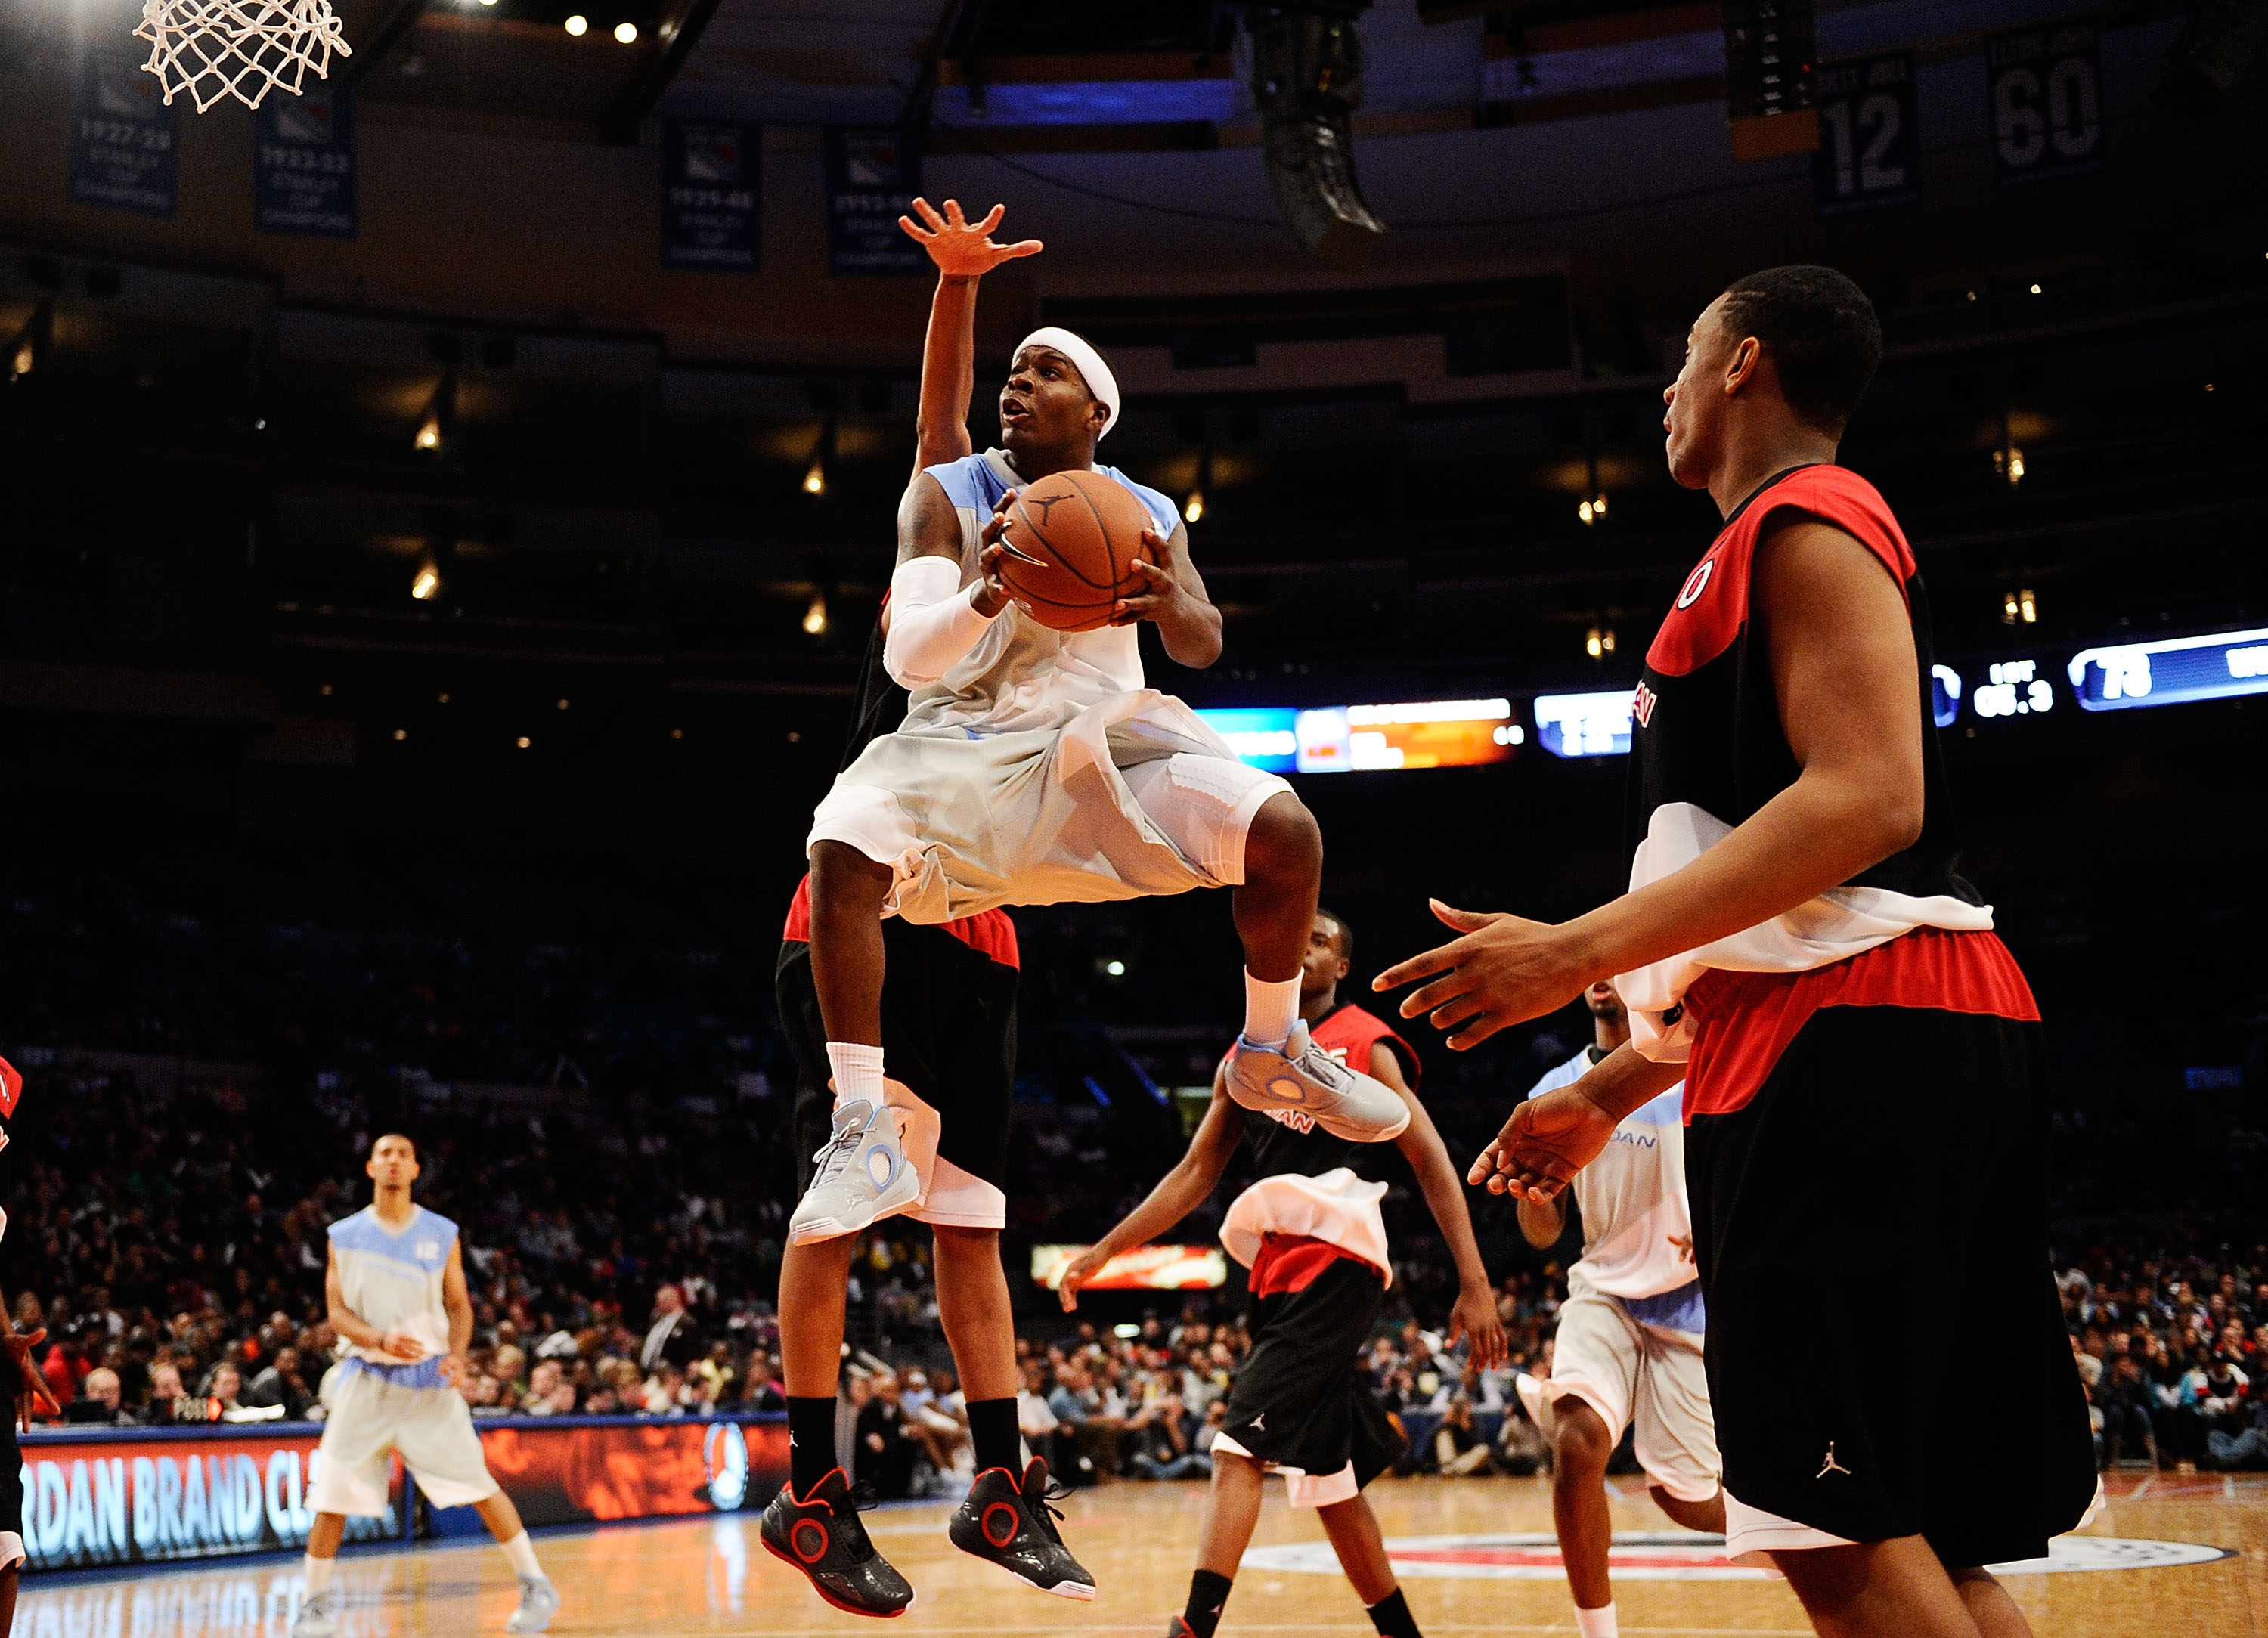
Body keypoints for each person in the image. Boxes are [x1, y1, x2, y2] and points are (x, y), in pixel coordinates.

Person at [1378, 265, 2096, 1638]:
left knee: (1834, 1534)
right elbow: (1777, 919)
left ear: (1741, 364)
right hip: (1871, 1020)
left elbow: (1873, 796)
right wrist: (1603, 1091)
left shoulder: (1808, 514)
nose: (1662, 389)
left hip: (1859, 1035)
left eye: (1681, 360)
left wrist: (1570, 950)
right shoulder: (1754, 546)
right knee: (1909, 1526)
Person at [764, 198, 1095, 1619]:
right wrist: (956, 289)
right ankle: (814, 1492)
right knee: (842, 1205)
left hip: (985, 926)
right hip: (865, 895)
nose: (1017, 397)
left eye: (1050, 374)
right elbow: (939, 423)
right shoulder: (954, 519)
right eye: (1014, 376)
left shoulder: (1100, 554)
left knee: (974, 1221)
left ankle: (1002, 1483)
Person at [1060, 909, 1506, 1638]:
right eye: (1294, 934)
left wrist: (1475, 1281)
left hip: (1340, 1254)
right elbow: (1195, 1171)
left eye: (1322, 940)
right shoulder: (1244, 1058)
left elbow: (1428, 1157)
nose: (1302, 945)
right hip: (1275, 1268)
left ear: (1341, 968)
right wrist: (1108, 1247)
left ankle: (1193, 1625)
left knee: (1238, 1443)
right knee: (1330, 1482)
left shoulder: (1366, 1041)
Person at [1513, 981, 1723, 1638]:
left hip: (1690, 1300)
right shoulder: (1557, 1085)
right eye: (1596, 967)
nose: (1605, 975)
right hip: (1603, 1288)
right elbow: (1542, 1233)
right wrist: (1533, 1188)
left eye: (1622, 962)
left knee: (1684, 1499)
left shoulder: (1700, 1068)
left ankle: (1791, 1532)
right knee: (1579, 1442)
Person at [293, 1134, 558, 1637]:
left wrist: (458, 1357)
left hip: (429, 1384)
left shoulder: (441, 1232)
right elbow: (336, 1313)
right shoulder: (344, 1234)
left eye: (403, 1154)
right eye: (385, 1153)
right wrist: (377, 1337)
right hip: (366, 1380)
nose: (394, 1161)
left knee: (479, 1485)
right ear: (371, 1166)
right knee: (332, 1495)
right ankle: (314, 1604)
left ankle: (536, 1584)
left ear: (415, 1168)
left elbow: (459, 1305)